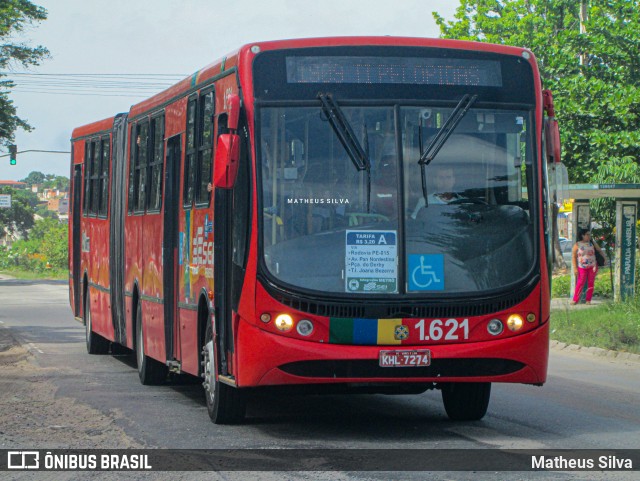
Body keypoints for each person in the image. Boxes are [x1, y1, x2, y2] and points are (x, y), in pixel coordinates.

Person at [571, 228, 604, 305]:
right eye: (587, 235)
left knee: (591, 282)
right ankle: (575, 299)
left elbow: (599, 250)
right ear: (582, 235)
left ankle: (588, 300)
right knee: (580, 282)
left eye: (589, 235)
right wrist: (575, 268)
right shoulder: (577, 244)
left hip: (592, 266)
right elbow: (573, 256)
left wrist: (604, 258)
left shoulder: (592, 243)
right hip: (582, 266)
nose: (589, 236)